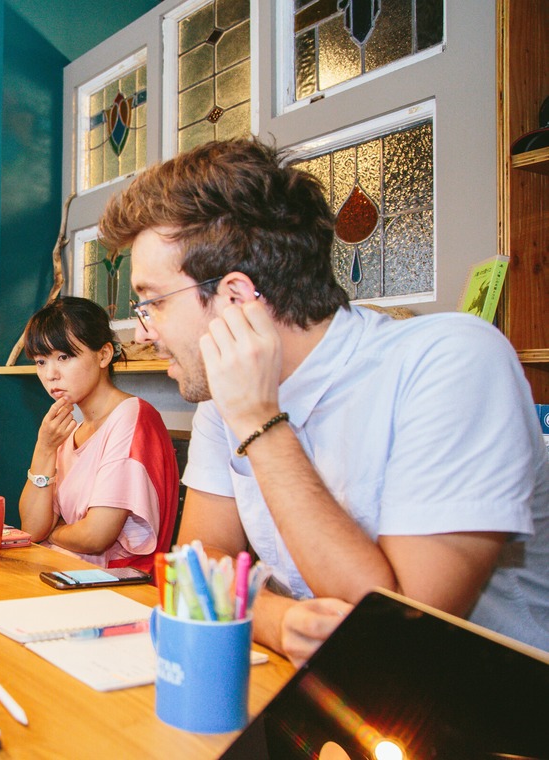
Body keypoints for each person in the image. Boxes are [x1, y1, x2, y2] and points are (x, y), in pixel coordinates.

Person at [97, 137, 549, 665]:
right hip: (335, 706)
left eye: (151, 303)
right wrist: (278, 620)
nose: (143, 332)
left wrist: (260, 424)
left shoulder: (453, 361)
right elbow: (191, 568)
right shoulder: (224, 399)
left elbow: (397, 634)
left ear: (236, 298)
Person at [18, 297, 178, 572]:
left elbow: (95, 535)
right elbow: (31, 528)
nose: (50, 374)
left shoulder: (132, 417)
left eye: (64, 357)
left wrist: (51, 532)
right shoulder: (70, 431)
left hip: (114, 587)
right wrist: (43, 448)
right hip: (61, 572)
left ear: (103, 355)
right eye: (41, 362)